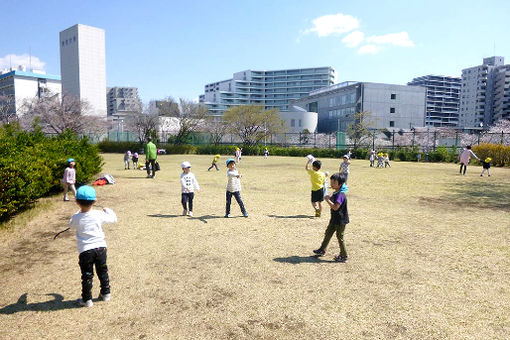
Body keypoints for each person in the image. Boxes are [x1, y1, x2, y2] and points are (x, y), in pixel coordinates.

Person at [68, 185, 117, 307]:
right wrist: (108, 210)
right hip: (101, 248)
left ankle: (87, 300)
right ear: (94, 201)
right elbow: (113, 219)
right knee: (103, 272)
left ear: (77, 202)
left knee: (87, 275)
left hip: (85, 251)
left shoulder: (76, 217)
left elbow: (70, 225)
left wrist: (78, 212)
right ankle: (106, 294)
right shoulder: (98, 214)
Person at [312, 173, 349, 263]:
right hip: (334, 219)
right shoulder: (336, 192)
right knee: (328, 233)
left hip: (340, 220)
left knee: (340, 237)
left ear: (340, 184)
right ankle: (322, 249)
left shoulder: (340, 195)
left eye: (334, 182)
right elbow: (332, 199)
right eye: (331, 181)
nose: (332, 184)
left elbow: (335, 207)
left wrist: (328, 200)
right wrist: (329, 197)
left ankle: (344, 255)